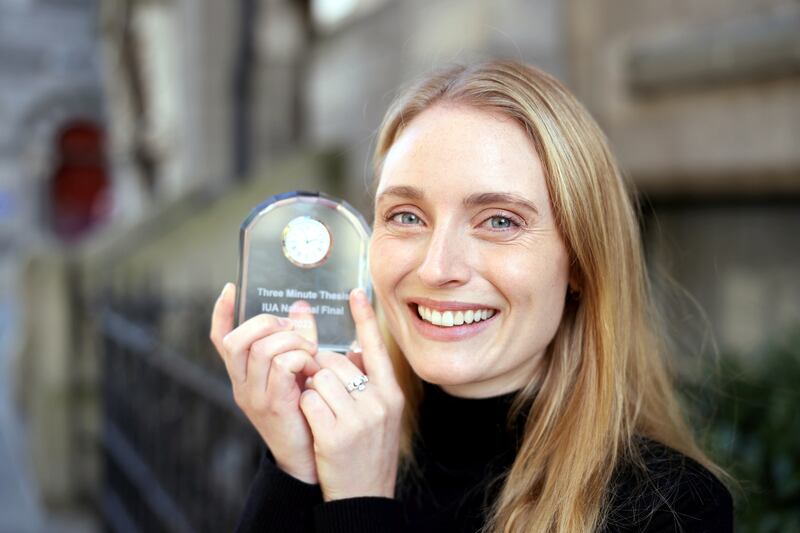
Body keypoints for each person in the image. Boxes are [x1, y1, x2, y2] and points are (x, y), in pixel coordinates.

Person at [209, 60, 733, 532]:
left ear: (579, 261)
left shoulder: (672, 508)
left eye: (499, 221)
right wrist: (295, 469)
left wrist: (360, 505)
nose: (437, 268)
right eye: (406, 216)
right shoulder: (332, 443)